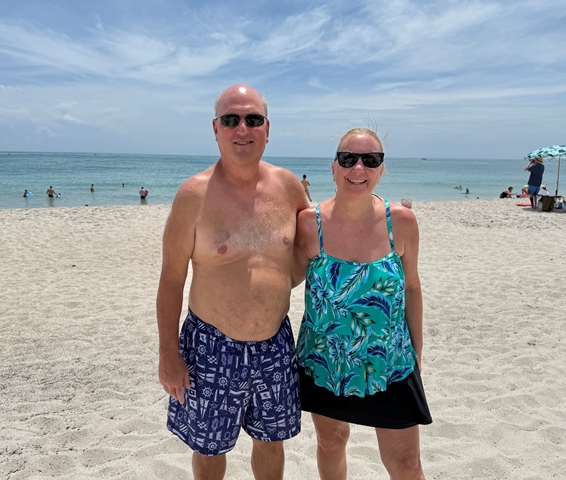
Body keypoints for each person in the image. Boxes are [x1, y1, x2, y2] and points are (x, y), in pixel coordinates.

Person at [157, 84, 309, 480]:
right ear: (216, 128)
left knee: (272, 442)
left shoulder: (288, 187)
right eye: (231, 119)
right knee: (209, 450)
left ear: (267, 128)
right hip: (210, 347)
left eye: (253, 119)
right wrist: (168, 354)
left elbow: (315, 245)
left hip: (275, 344)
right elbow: (171, 278)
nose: (242, 128)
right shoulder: (193, 195)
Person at [293, 127, 432, 479]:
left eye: (370, 160)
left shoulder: (401, 221)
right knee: (331, 442)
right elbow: (280, 279)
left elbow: (412, 287)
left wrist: (416, 351)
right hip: (324, 362)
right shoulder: (309, 223)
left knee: (406, 464)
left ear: (381, 170)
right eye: (348, 159)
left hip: (390, 363)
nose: (358, 168)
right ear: (333, 168)